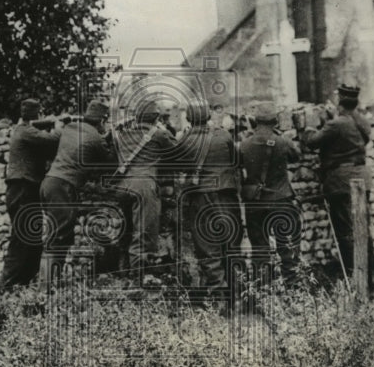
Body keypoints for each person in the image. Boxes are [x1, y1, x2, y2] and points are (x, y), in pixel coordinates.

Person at [40, 100, 116, 285]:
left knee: (57, 236)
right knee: (58, 239)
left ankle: (49, 285)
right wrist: (112, 139)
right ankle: (45, 289)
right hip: (63, 187)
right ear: (102, 120)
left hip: (48, 184)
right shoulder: (96, 137)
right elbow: (111, 163)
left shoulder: (70, 128)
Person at [303, 84, 373, 279]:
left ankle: (353, 278)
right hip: (362, 179)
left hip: (341, 182)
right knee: (362, 230)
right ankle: (368, 280)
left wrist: (309, 127)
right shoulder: (362, 122)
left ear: (339, 103)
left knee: (346, 232)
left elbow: (312, 142)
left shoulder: (337, 124)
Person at [175, 101, 243, 287]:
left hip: (200, 199)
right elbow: (236, 161)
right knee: (232, 245)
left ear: (189, 118)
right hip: (227, 196)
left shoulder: (184, 140)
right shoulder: (224, 135)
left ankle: (218, 295)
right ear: (208, 116)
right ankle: (239, 294)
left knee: (208, 250)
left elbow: (179, 167)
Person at [111, 98, 177, 282]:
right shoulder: (158, 134)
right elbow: (178, 153)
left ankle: (124, 274)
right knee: (144, 236)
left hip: (122, 186)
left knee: (127, 232)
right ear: (156, 118)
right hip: (144, 188)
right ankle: (139, 280)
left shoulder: (123, 134)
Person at [238, 101, 303, 286]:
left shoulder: (244, 144)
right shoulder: (283, 141)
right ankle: (293, 290)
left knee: (259, 250)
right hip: (281, 199)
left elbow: (239, 167)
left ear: (255, 121)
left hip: (255, 203)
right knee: (288, 248)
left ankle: (263, 292)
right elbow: (296, 156)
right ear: (275, 121)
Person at [3, 98, 60, 287]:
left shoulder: (28, 132)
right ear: (38, 114)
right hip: (21, 189)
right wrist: (59, 125)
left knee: (33, 241)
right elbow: (54, 140)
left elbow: (50, 150)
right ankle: (7, 286)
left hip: (27, 189)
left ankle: (22, 285)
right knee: (21, 239)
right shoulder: (25, 131)